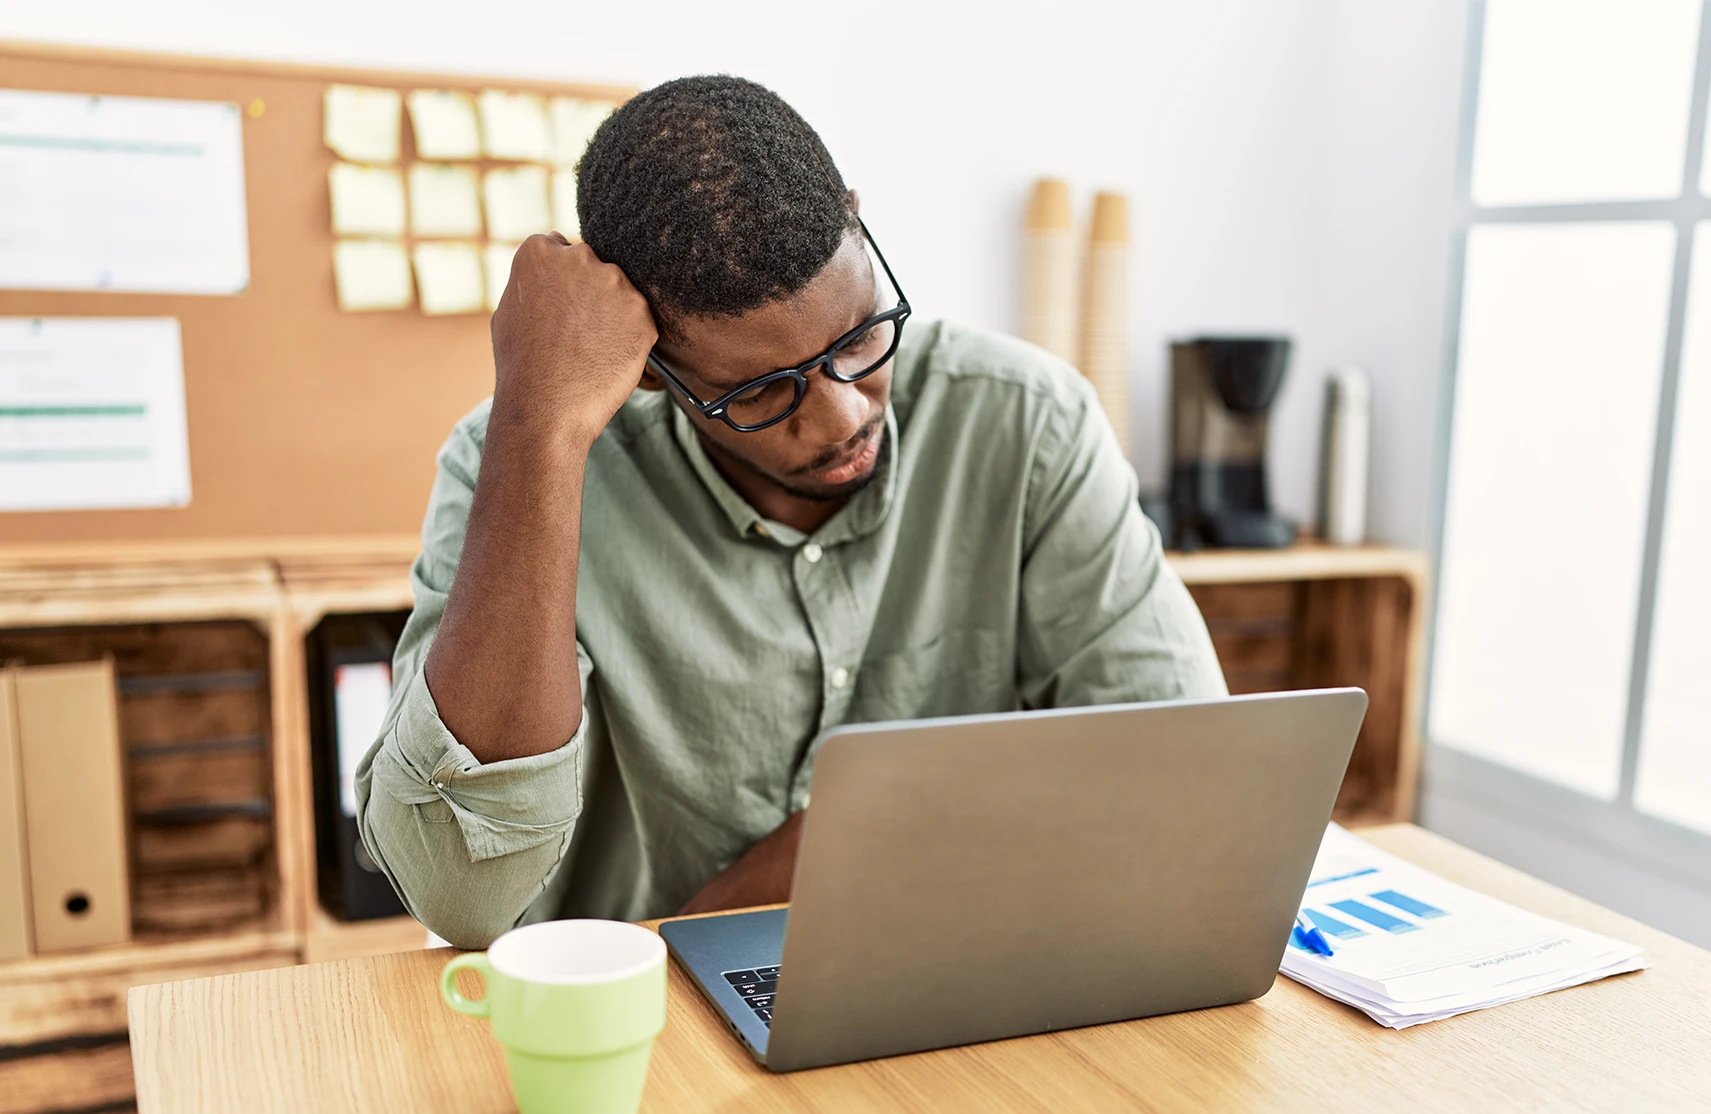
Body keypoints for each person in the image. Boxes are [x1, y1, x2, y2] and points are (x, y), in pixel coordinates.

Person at [355, 75, 1226, 949]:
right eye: (765, 393)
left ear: (861, 226)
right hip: (631, 1035)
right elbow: (457, 894)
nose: (844, 417)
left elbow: (1186, 773)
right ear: (652, 372)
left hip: (958, 974)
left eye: (860, 339)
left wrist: (833, 852)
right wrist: (540, 429)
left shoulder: (1026, 420)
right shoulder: (512, 459)